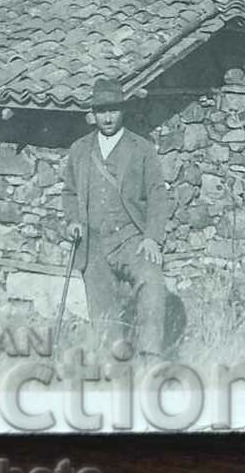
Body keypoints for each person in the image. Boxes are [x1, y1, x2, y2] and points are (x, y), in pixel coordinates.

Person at [63, 78, 170, 360]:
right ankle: (115, 367)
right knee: (103, 313)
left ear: (122, 111)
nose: (107, 117)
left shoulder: (141, 148)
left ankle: (150, 359)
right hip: (93, 242)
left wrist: (152, 237)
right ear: (93, 114)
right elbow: (70, 191)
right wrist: (73, 220)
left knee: (152, 282)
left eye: (113, 110)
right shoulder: (79, 150)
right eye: (101, 111)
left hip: (132, 239)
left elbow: (158, 194)